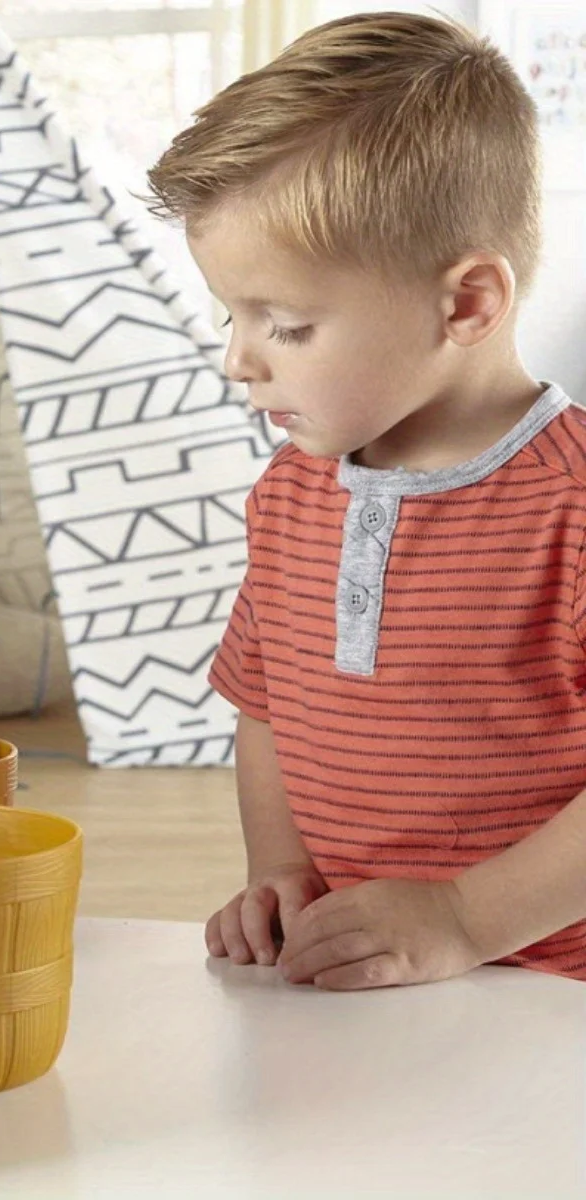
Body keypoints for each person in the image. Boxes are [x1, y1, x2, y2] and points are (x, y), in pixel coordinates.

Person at [147, 13, 585, 985]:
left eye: (286, 326)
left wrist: (468, 918)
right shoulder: (292, 490)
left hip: (556, 1000)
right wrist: (281, 871)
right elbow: (264, 702)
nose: (237, 360)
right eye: (233, 315)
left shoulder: (572, 510)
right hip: (371, 978)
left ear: (466, 304)